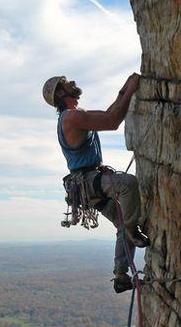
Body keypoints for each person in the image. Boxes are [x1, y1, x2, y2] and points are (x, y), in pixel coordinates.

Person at [42, 74, 149, 293]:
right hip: (89, 181)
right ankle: (132, 232)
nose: (72, 83)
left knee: (123, 221)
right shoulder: (71, 118)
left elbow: (108, 113)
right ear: (60, 93)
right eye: (66, 83)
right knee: (127, 184)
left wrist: (125, 89)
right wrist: (130, 90)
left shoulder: (75, 116)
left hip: (87, 184)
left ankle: (121, 274)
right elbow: (111, 121)